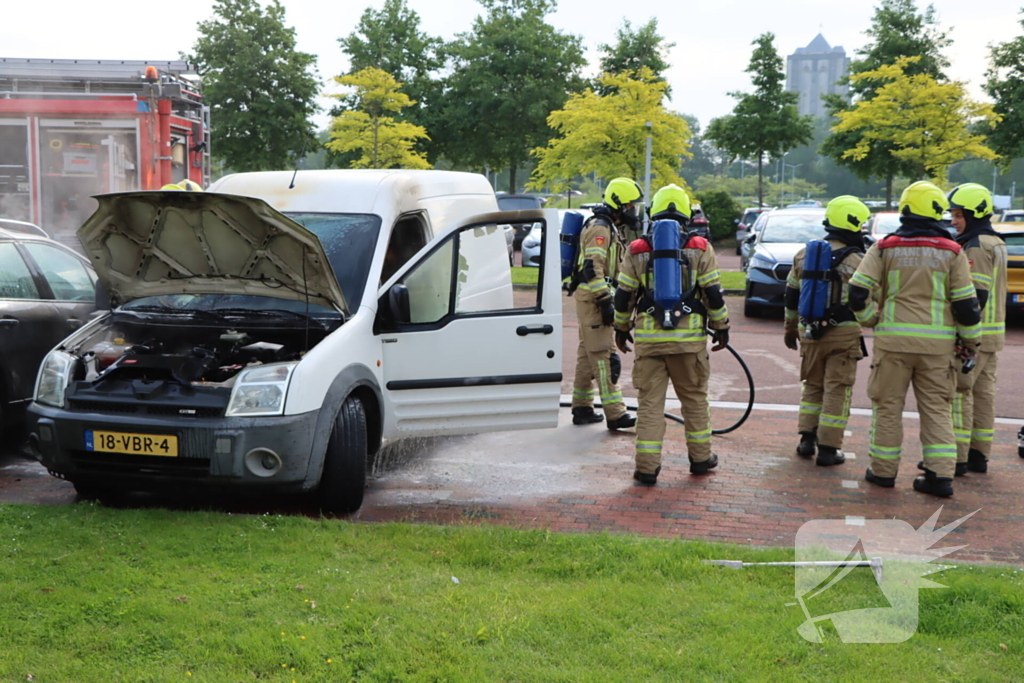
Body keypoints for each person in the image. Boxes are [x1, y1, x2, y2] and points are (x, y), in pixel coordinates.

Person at [848, 181, 982, 497]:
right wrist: (971, 343)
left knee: (887, 407)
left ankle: (883, 472)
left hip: (892, 344)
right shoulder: (952, 250)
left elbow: (857, 291)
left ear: (905, 209)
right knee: (937, 410)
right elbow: (967, 306)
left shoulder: (884, 247)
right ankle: (940, 477)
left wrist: (869, 319)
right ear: (936, 211)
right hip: (937, 348)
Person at [612, 184, 730, 484]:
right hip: (689, 344)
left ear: (653, 212)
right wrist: (721, 327)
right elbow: (713, 294)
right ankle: (701, 459)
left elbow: (624, 297)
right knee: (694, 400)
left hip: (649, 343)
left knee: (650, 405)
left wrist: (621, 328)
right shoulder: (700, 247)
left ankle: (646, 468)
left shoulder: (637, 248)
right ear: (687, 214)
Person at [783, 196, 871, 466]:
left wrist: (790, 328)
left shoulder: (803, 255)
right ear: (853, 224)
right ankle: (829, 450)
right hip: (843, 336)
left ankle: (806, 440)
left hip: (808, 332)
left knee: (812, 386)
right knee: (837, 390)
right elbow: (866, 299)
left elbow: (791, 295)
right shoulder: (859, 260)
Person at [569, 177, 642, 430]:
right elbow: (592, 268)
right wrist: (605, 302)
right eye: (630, 205)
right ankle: (616, 414)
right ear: (618, 204)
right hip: (593, 299)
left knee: (586, 355)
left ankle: (582, 408)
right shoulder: (601, 229)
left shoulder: (609, 226)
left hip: (589, 297)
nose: (633, 210)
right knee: (604, 356)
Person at [944, 183, 1007, 475]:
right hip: (993, 335)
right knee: (983, 396)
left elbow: (975, 296)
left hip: (975, 335)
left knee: (960, 394)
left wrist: (962, 335)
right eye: (953, 214)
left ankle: (957, 458)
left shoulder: (976, 245)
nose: (954, 221)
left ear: (975, 213)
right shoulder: (996, 241)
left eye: (959, 215)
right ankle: (978, 455)